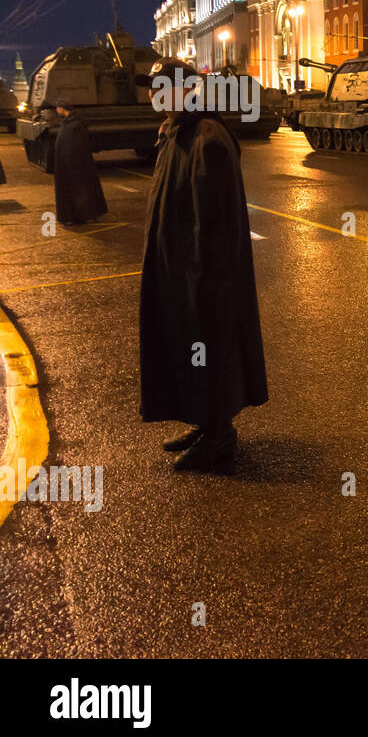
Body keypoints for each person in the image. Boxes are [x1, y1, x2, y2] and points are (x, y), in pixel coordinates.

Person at [135, 59, 268, 472]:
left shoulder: (208, 138)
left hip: (201, 275)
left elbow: (217, 225)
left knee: (207, 348)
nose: (152, 95)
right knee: (186, 347)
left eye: (159, 87)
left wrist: (205, 279)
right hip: (177, 269)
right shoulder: (178, 130)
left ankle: (219, 434)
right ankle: (204, 420)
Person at [51, 99, 107, 226]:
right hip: (68, 164)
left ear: (62, 108)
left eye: (57, 107)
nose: (56, 110)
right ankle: (76, 215)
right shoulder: (69, 123)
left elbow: (75, 147)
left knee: (79, 191)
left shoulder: (75, 125)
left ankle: (81, 215)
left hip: (74, 165)